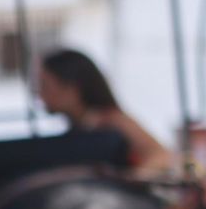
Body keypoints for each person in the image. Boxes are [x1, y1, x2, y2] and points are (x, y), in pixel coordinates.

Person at [35, 48, 175, 175]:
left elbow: (162, 156)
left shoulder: (112, 121)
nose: (39, 94)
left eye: (45, 86)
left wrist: (130, 182)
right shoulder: (78, 129)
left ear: (72, 88)